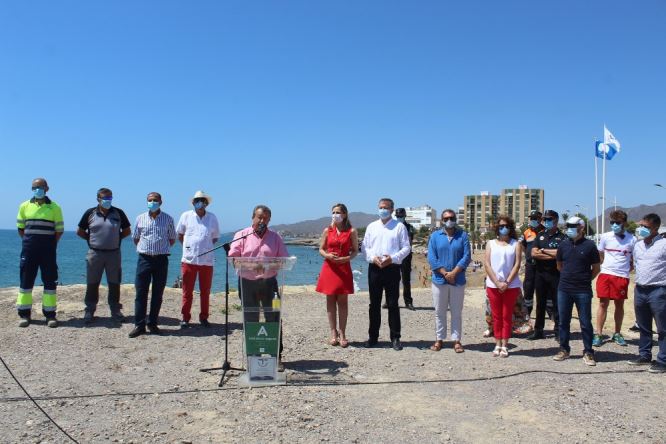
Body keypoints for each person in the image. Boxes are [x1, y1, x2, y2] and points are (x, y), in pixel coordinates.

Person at [228, 205, 289, 370]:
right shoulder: (242, 235)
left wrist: (268, 265)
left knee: (274, 318)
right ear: (252, 217)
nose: (262, 220)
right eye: (259, 217)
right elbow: (233, 259)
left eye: (266, 218)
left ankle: (275, 356)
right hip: (247, 283)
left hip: (271, 284)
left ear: (269, 220)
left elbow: (284, 259)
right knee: (251, 318)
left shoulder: (275, 237)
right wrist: (252, 265)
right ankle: (253, 356)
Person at [361, 198, 411, 351]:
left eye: (385, 207)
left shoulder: (399, 227)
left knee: (393, 304)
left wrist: (393, 259)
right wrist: (372, 258)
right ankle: (373, 337)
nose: (382, 210)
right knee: (374, 304)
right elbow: (365, 247)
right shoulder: (371, 226)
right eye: (380, 207)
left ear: (391, 209)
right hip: (374, 269)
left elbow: (406, 248)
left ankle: (395, 337)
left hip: (392, 269)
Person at [77, 188, 131, 324]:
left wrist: (116, 240)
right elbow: (80, 231)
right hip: (95, 253)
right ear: (98, 199)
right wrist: (91, 240)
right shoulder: (90, 213)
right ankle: (89, 310)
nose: (107, 201)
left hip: (113, 253)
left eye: (110, 198)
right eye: (104, 198)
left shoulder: (118, 213)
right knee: (92, 283)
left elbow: (126, 230)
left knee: (114, 283)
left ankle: (115, 310)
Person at [15, 178, 64, 328]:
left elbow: (59, 230)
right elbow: (20, 228)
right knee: (26, 281)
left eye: (41, 187)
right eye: (35, 187)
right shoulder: (24, 206)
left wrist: (50, 244)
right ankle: (24, 314)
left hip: (48, 251)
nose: (38, 189)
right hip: (29, 250)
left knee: (49, 281)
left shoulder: (55, 207)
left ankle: (50, 315)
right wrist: (30, 242)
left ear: (47, 188)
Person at [553, 217, 601, 366]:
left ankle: (588, 351)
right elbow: (559, 265)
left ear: (582, 228)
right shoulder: (563, 245)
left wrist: (585, 279)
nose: (570, 229)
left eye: (573, 226)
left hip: (583, 290)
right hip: (564, 289)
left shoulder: (590, 245)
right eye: (568, 226)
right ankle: (564, 349)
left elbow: (596, 268)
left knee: (585, 322)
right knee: (563, 321)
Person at [128, 192, 176, 338]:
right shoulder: (140, 218)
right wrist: (147, 250)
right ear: (146, 202)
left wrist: (158, 249)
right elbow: (136, 238)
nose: (152, 202)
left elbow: (172, 239)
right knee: (141, 292)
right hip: (144, 259)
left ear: (161, 201)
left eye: (155, 200)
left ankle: (153, 323)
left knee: (157, 293)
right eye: (150, 200)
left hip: (161, 260)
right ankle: (139, 325)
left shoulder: (168, 219)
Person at [427, 209, 471, 353]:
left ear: (456, 219)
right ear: (442, 220)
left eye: (451, 217)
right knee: (439, 311)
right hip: (439, 280)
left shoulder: (463, 236)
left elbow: (466, 256)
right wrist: (445, 273)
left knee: (456, 312)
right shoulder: (435, 236)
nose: (449, 220)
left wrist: (454, 273)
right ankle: (439, 339)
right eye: (446, 218)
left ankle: (456, 340)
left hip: (457, 280)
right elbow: (432, 257)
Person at [316, 203, 359, 347]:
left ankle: (343, 333)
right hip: (329, 268)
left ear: (345, 214)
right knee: (330, 301)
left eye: (338, 212)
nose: (335, 214)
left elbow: (355, 251)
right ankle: (333, 332)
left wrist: (345, 258)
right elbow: (321, 249)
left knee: (343, 302)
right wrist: (328, 255)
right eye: (333, 212)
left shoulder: (351, 231)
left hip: (344, 268)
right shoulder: (327, 230)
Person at [628, 213, 666, 373]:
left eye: (646, 227)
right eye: (641, 226)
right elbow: (636, 264)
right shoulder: (638, 245)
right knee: (643, 326)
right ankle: (644, 355)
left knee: (663, 328)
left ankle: (663, 360)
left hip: (658, 291)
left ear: (655, 228)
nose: (642, 229)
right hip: (640, 289)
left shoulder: (664, 244)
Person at [176, 191, 220, 329]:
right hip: (189, 260)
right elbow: (180, 234)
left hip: (206, 261)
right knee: (187, 291)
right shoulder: (186, 216)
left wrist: (204, 246)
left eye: (202, 200)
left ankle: (204, 317)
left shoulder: (212, 218)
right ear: (193, 203)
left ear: (206, 203)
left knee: (205, 292)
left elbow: (215, 237)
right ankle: (185, 317)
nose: (200, 203)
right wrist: (189, 247)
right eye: (197, 200)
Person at [593, 210, 636, 347]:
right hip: (606, 274)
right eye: (612, 222)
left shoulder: (632, 239)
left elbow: (633, 259)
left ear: (624, 223)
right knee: (602, 304)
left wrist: (627, 268)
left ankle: (617, 333)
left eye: (617, 223)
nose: (614, 225)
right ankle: (598, 334)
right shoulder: (605, 237)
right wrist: (605, 265)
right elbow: (600, 254)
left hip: (621, 277)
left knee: (619, 305)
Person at [484, 216, 523, 357]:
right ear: (497, 228)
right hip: (493, 285)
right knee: (496, 316)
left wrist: (506, 282)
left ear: (510, 227)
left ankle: (505, 345)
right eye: (500, 226)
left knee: (507, 315)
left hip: (510, 286)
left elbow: (517, 264)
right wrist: (497, 282)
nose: (503, 228)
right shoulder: (490, 244)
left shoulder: (516, 244)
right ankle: (497, 343)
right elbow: (487, 264)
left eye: (506, 225)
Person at [529, 210, 567, 341]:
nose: (546, 222)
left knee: (557, 303)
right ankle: (538, 330)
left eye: (549, 219)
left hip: (556, 275)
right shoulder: (540, 236)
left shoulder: (562, 237)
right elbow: (534, 253)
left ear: (556, 220)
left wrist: (543, 251)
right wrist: (551, 254)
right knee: (540, 303)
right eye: (545, 219)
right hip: (540, 274)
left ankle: (558, 331)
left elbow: (561, 254)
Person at [520, 210, 544, 317]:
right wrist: (528, 255)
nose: (533, 220)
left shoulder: (545, 231)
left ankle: (546, 312)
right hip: (530, 265)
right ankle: (527, 312)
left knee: (542, 290)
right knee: (528, 288)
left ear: (540, 219)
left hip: (542, 266)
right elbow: (523, 246)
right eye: (531, 218)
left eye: (535, 218)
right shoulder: (526, 232)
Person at [393, 208, 416, 310]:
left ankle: (408, 302)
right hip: (394, 257)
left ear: (405, 216)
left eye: (401, 216)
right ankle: (390, 301)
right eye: (397, 216)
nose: (399, 218)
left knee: (406, 280)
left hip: (405, 257)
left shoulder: (409, 227)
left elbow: (409, 242)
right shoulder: (392, 227)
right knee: (392, 280)